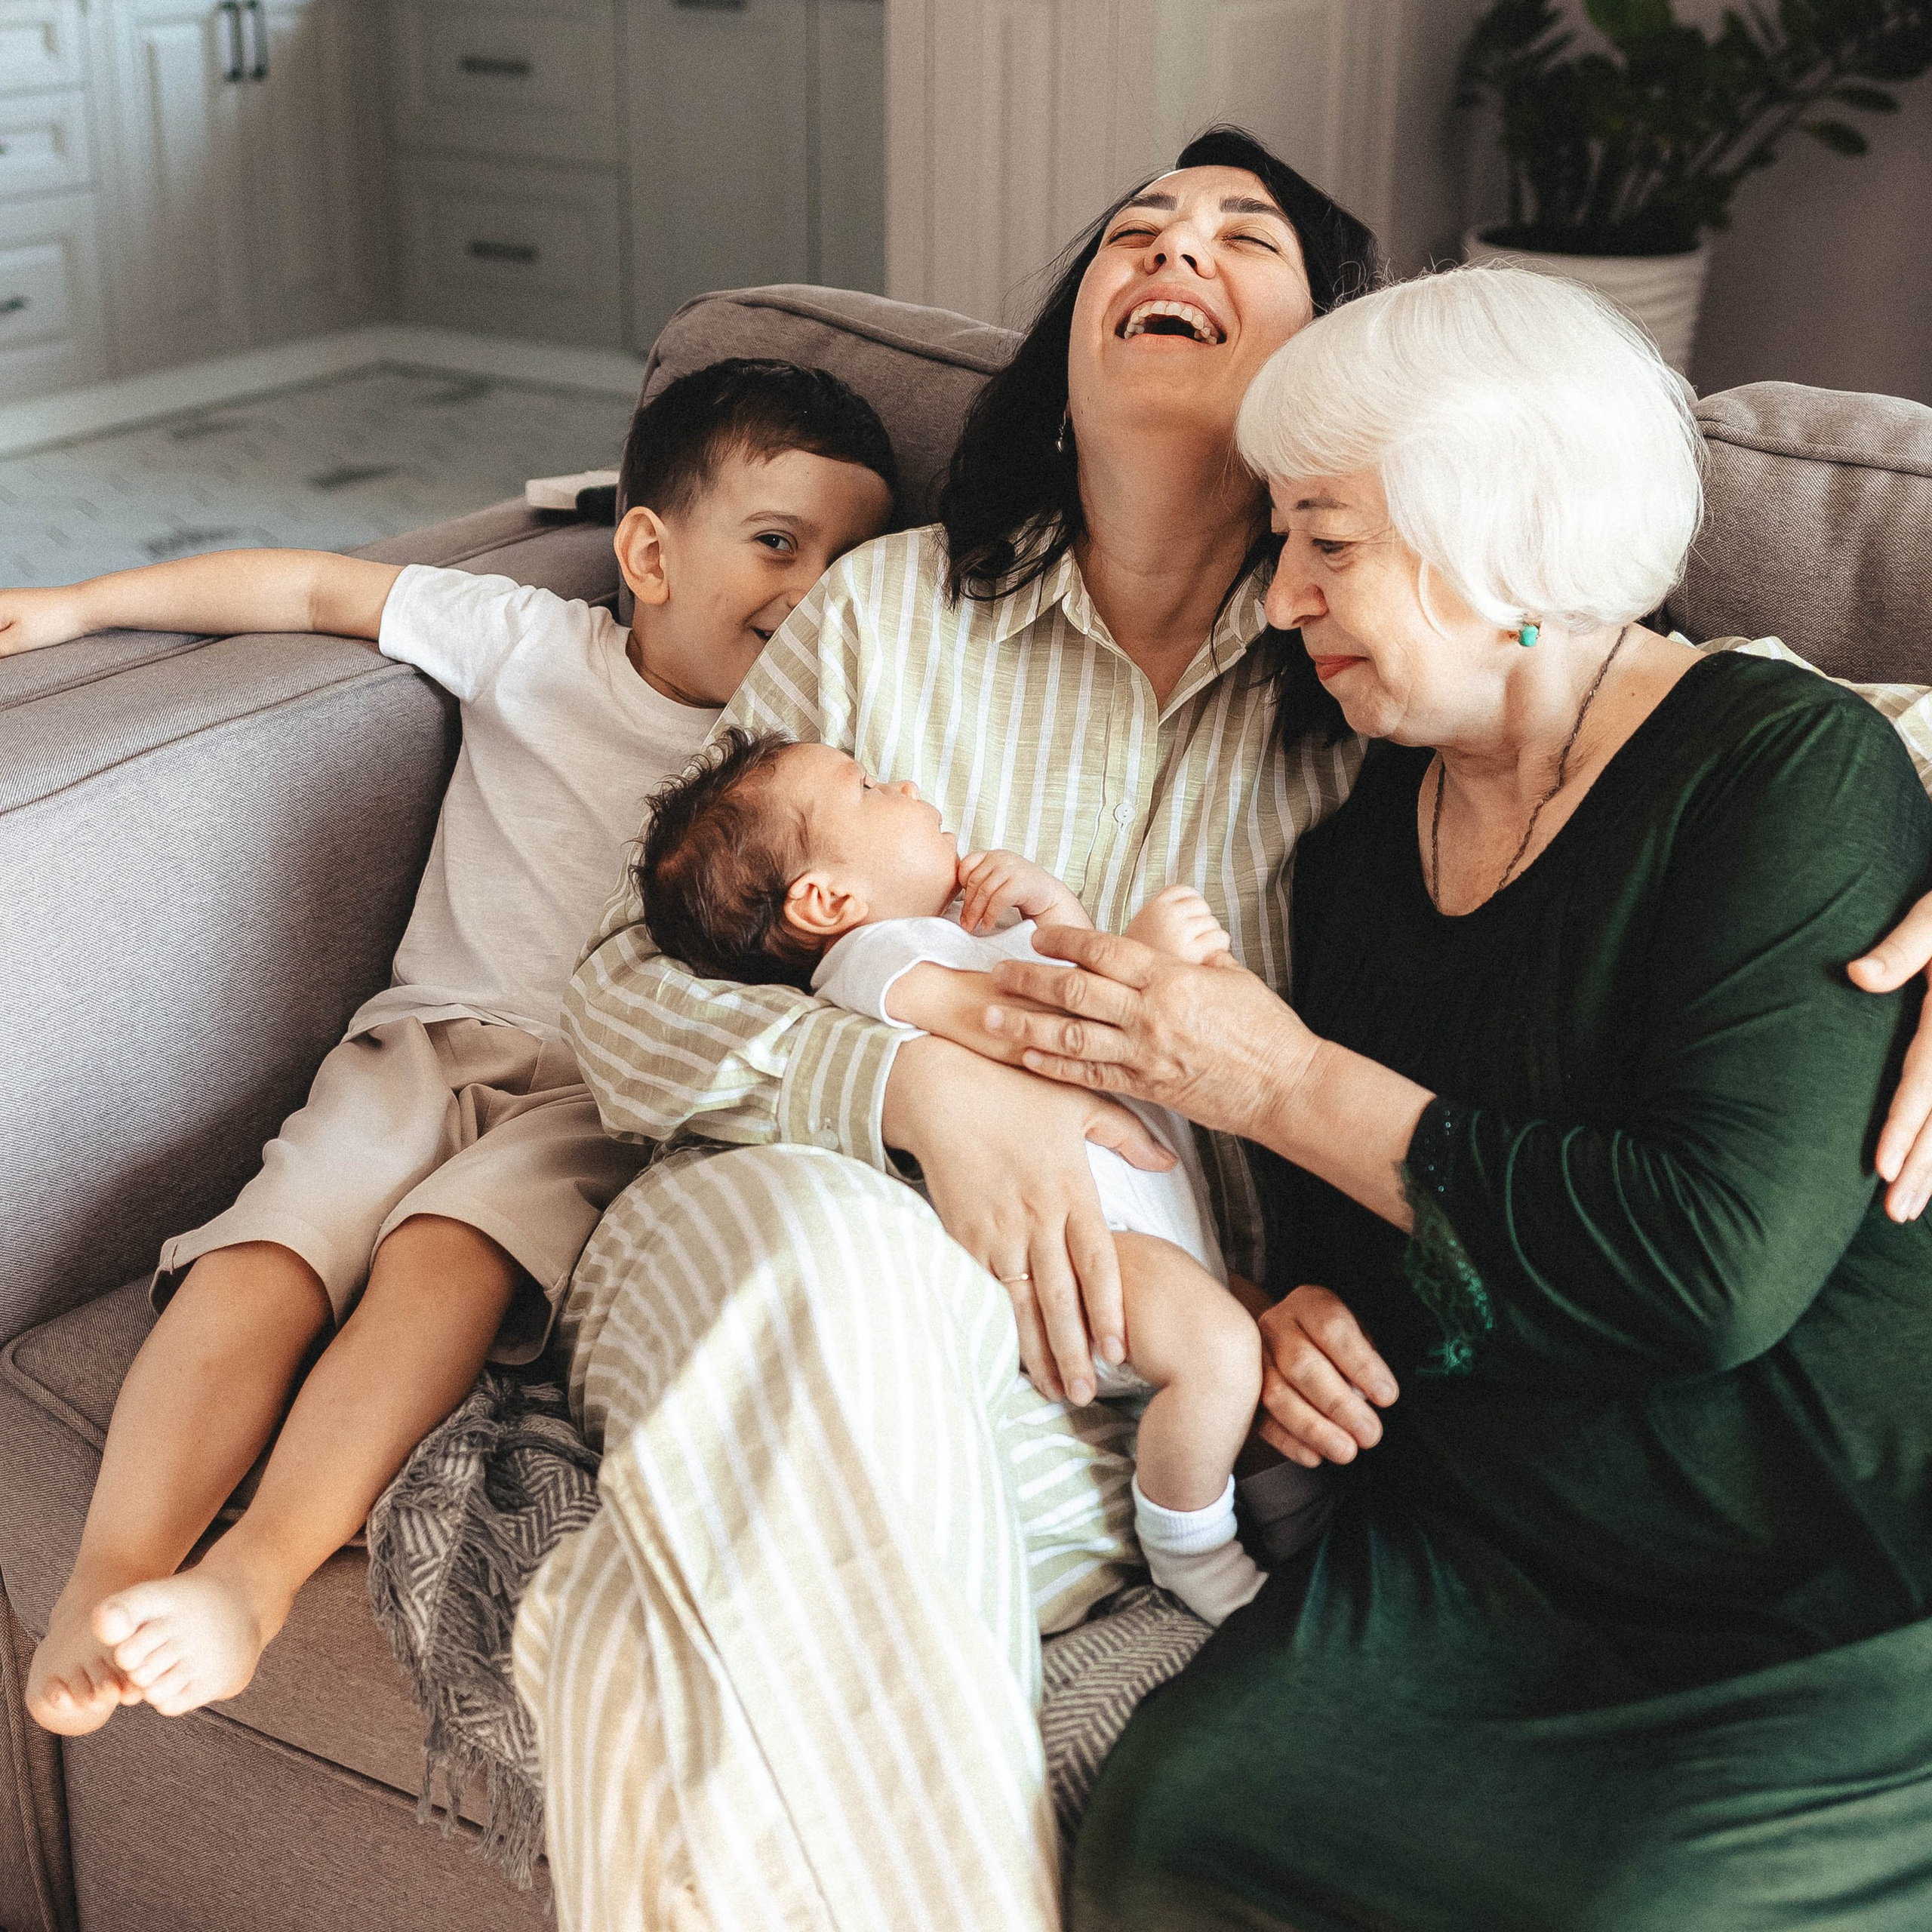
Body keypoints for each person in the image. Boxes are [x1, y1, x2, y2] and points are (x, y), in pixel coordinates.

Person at [513, 131, 1932, 1930]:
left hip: (1701, 1529)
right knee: (1124, 1767)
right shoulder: (959, 652)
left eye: (1321, 536)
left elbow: (1700, 1183)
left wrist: (1283, 1162)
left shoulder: (1567, 752)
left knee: (667, 1620)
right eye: (1133, 228)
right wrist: (935, 1086)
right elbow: (631, 984)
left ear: (1467, 505)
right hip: (875, 1251)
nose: (1285, 592)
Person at [973, 265, 1932, 1929]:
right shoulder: (1353, 857)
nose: (1281, 600)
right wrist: (1289, 1321)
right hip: (1481, 1558)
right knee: (1166, 1822)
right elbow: (1403, 1244)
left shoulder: (1778, 768)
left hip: (1832, 1576)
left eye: (1324, 544)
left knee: (1645, 1902)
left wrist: (1275, 1076)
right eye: (1282, 542)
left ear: (1505, 539)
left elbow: (1705, 1267)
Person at [0, 358, 897, 1737]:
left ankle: (254, 1577)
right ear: (649, 553)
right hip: (417, 1048)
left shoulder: (813, 765)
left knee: (445, 1259)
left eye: (845, 559)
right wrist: (83, 601)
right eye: (777, 541)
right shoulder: (536, 644)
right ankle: (108, 1576)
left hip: (594, 1101)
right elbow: (311, 589)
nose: (809, 586)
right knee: (271, 1249)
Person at [630, 722, 1297, 1623]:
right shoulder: (878, 959)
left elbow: (1027, 990)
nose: (904, 785)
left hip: (1154, 1234)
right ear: (826, 901)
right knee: (1218, 1354)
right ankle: (1193, 1550)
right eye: (867, 789)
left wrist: (1051, 911)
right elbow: (1026, 1026)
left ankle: (1304, 1542)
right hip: (1095, 1245)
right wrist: (1144, 960)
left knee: (1271, 1358)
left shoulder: (948, 942)